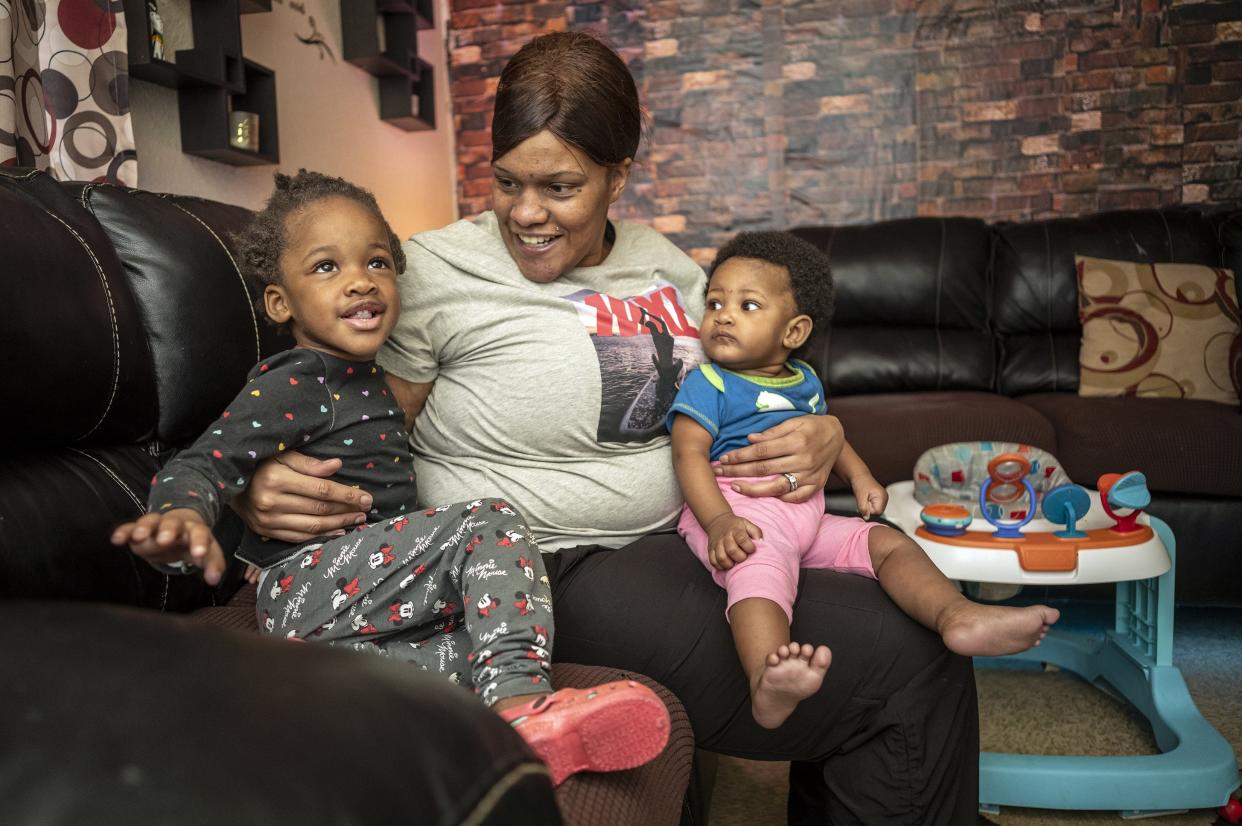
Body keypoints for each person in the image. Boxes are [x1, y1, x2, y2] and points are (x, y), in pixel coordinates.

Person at [233, 33, 984, 824]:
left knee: (906, 613)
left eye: (560, 187)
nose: (527, 213)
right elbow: (353, 418)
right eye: (508, 182)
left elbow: (750, 370)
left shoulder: (669, 266)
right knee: (904, 666)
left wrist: (822, 430)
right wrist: (263, 484)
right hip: (546, 570)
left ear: (618, 175)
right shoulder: (434, 272)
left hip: (689, 537)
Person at [110, 169, 670, 787]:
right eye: (326, 267)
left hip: (341, 608)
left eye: (377, 262)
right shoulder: (298, 380)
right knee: (489, 519)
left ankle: (319, 697)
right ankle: (522, 707)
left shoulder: (370, 380)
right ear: (280, 302)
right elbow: (204, 461)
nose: (359, 280)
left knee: (473, 643)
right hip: (308, 581)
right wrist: (184, 517)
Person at [668, 230, 1061, 729]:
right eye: (715, 302)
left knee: (885, 541)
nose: (722, 314)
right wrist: (720, 522)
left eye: (748, 305)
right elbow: (688, 456)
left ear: (793, 332)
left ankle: (957, 614)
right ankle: (767, 679)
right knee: (759, 569)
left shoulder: (803, 381)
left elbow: (831, 439)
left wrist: (860, 477)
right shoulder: (709, 382)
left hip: (803, 518)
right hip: (737, 510)